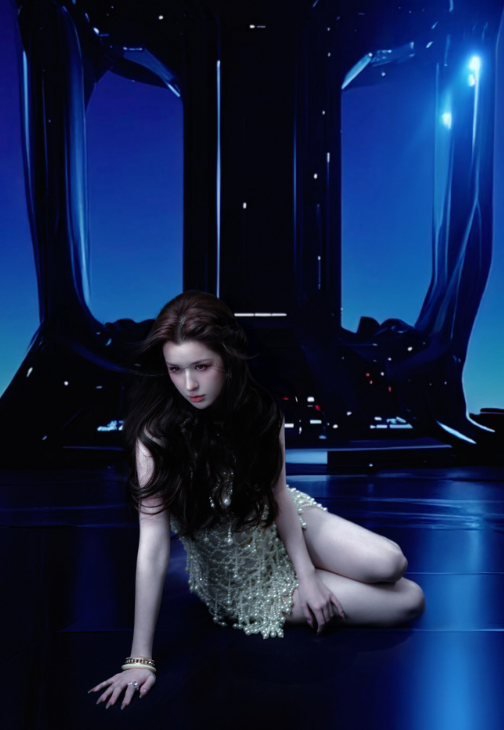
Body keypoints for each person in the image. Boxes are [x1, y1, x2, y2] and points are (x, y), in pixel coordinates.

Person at [89, 291, 425, 710]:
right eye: (176, 369)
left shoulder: (262, 413)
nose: (189, 384)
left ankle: (319, 565)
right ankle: (322, 569)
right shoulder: (155, 437)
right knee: (409, 599)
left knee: (391, 563)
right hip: (243, 576)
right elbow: (153, 545)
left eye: (201, 367)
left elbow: (278, 494)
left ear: (227, 360)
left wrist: (308, 577)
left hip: (283, 518)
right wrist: (140, 659)